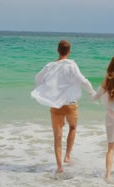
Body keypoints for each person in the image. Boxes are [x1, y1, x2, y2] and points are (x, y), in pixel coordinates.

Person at [31, 40, 96, 173]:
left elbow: (37, 79)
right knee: (72, 127)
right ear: (69, 51)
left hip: (55, 105)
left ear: (57, 51)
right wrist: (92, 93)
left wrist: (48, 89)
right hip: (71, 105)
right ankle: (67, 156)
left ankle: (59, 166)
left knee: (57, 136)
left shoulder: (50, 66)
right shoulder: (71, 65)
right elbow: (83, 81)